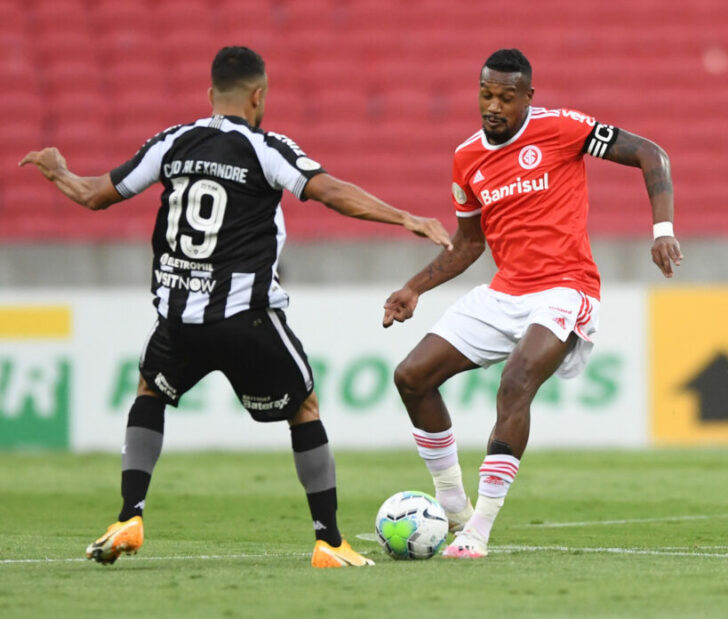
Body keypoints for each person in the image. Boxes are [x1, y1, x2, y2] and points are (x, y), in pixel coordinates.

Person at [18, 46, 452, 568]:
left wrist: (56, 171)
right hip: (245, 314)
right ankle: (329, 541)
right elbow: (330, 191)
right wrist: (407, 218)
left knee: (150, 390)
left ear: (209, 96)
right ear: (258, 96)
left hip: (178, 316)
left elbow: (93, 195)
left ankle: (129, 515)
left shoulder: (171, 143)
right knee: (304, 409)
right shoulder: (265, 147)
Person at [382, 48, 682, 558]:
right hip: (505, 292)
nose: (493, 105)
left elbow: (651, 153)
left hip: (567, 287)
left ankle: (477, 530)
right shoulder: (467, 158)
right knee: (411, 376)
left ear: (527, 97)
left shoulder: (563, 128)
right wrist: (414, 287)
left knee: (516, 381)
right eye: (485, 94)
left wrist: (662, 230)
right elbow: (470, 243)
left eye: (505, 96)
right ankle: (452, 505)